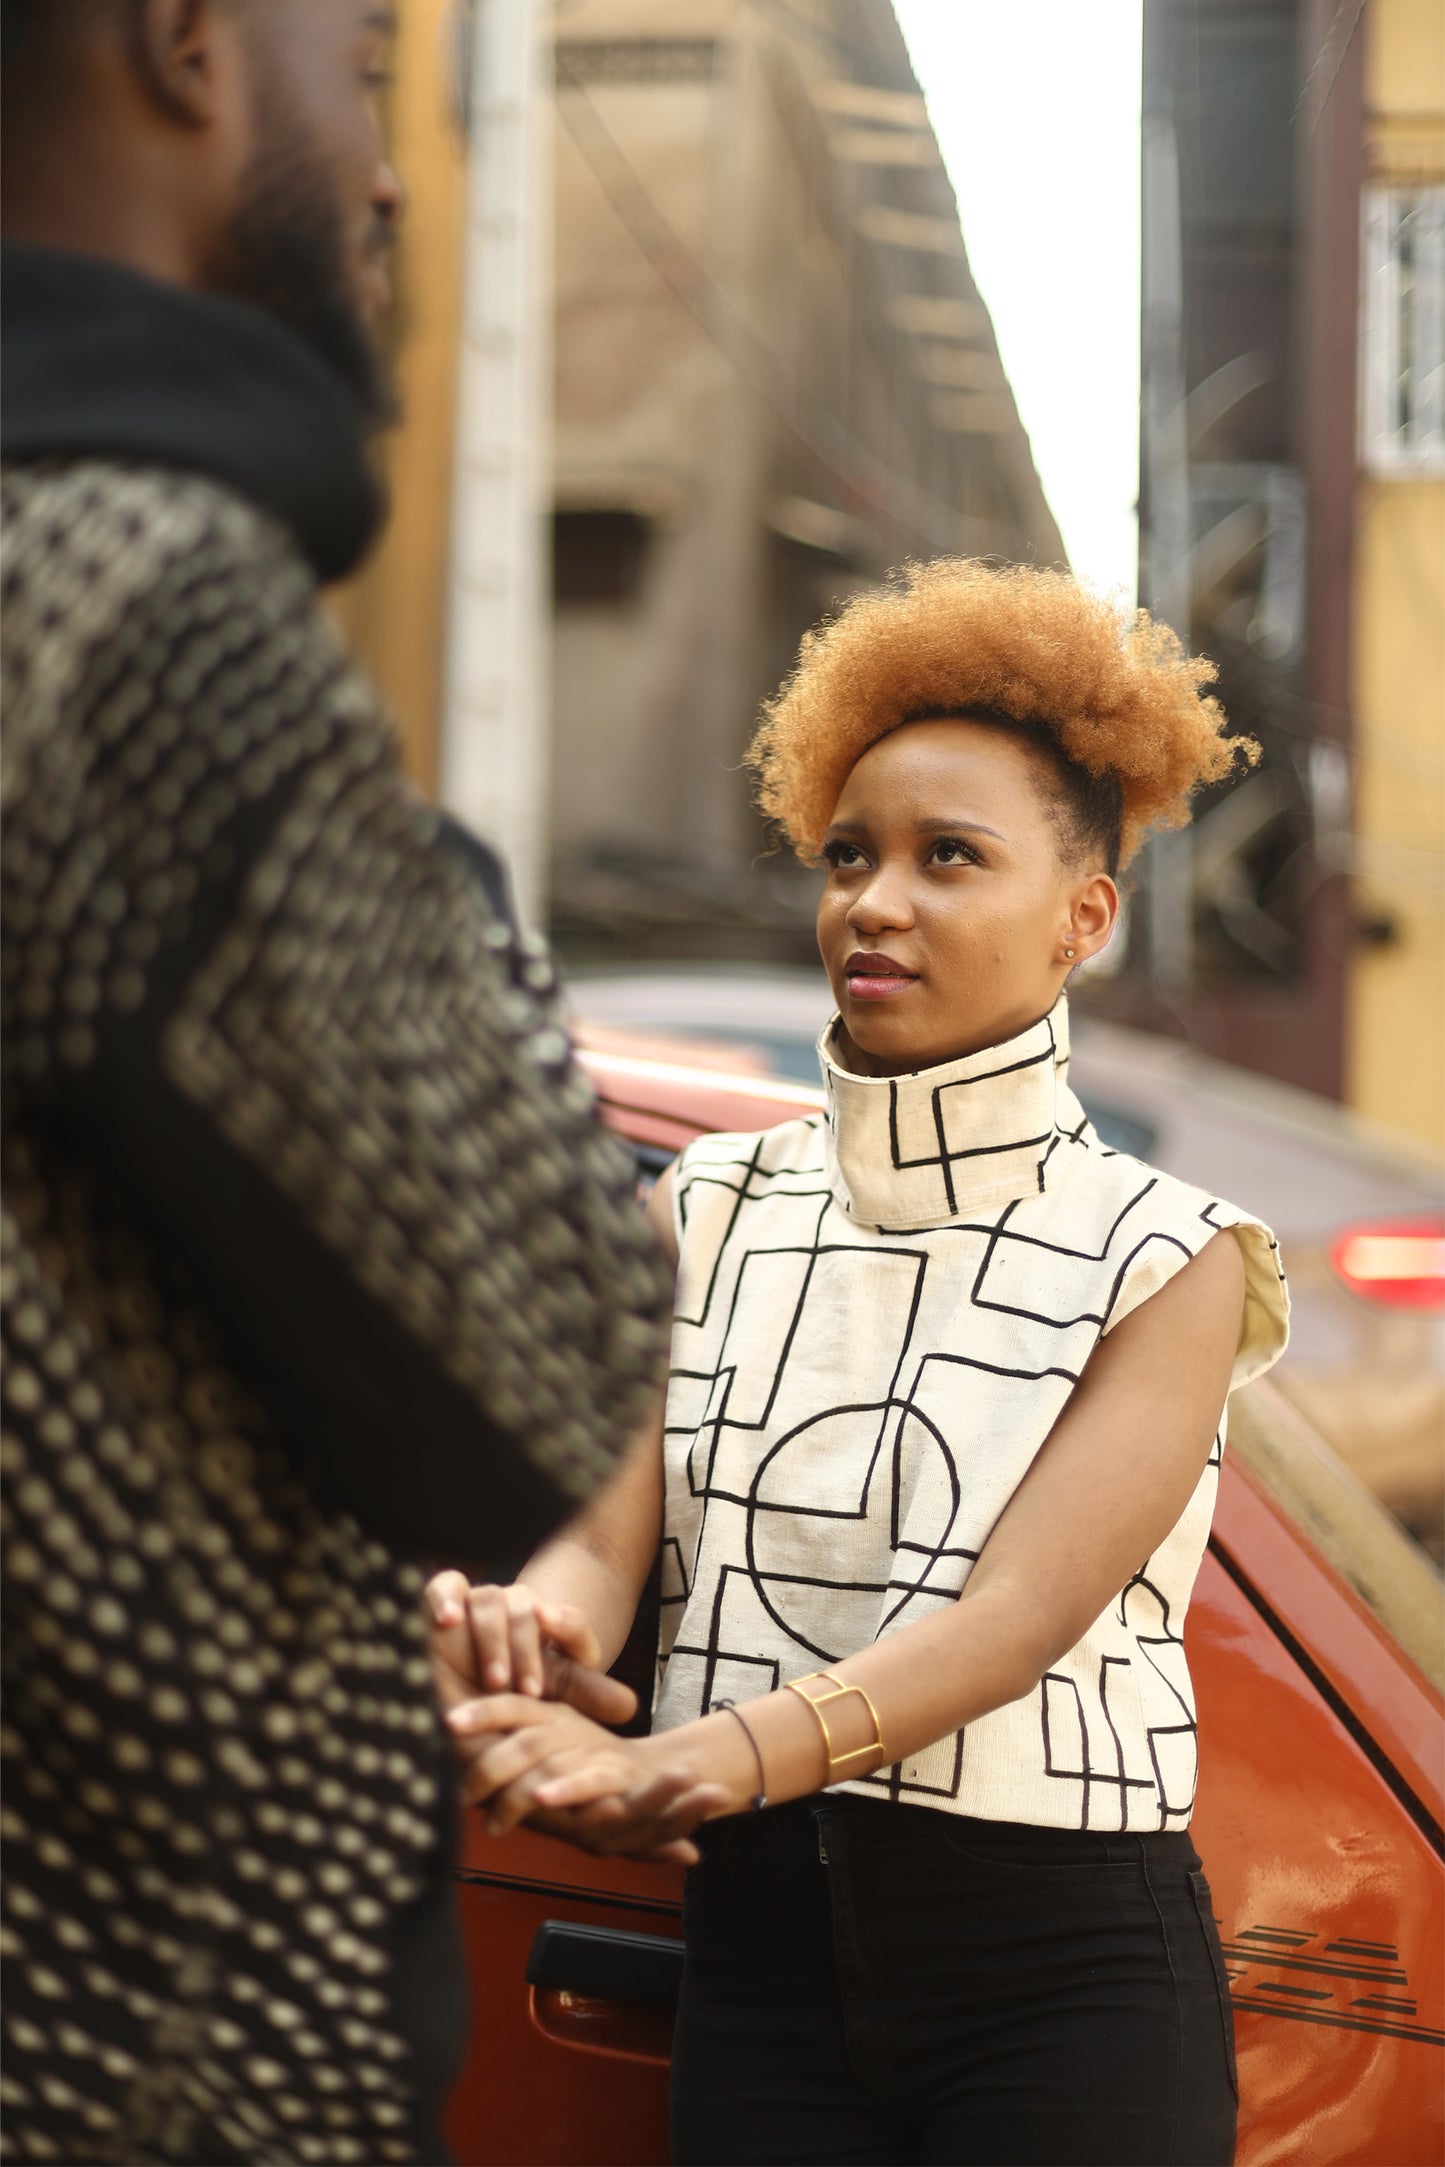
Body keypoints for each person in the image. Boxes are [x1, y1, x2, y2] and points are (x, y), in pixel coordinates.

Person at [0, 3, 704, 2160]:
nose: (389, 172)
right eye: (370, 71)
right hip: (131, 2066)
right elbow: (553, 1353)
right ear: (187, 40)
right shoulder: (128, 587)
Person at [429, 560, 1291, 2167]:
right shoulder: (705, 1198)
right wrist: (524, 1637)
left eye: (946, 859)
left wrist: (685, 1764)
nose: (871, 904)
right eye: (848, 856)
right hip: (757, 1980)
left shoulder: (1166, 1249)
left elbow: (1014, 1622)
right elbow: (611, 1530)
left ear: (1079, 918)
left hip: (1060, 1986)